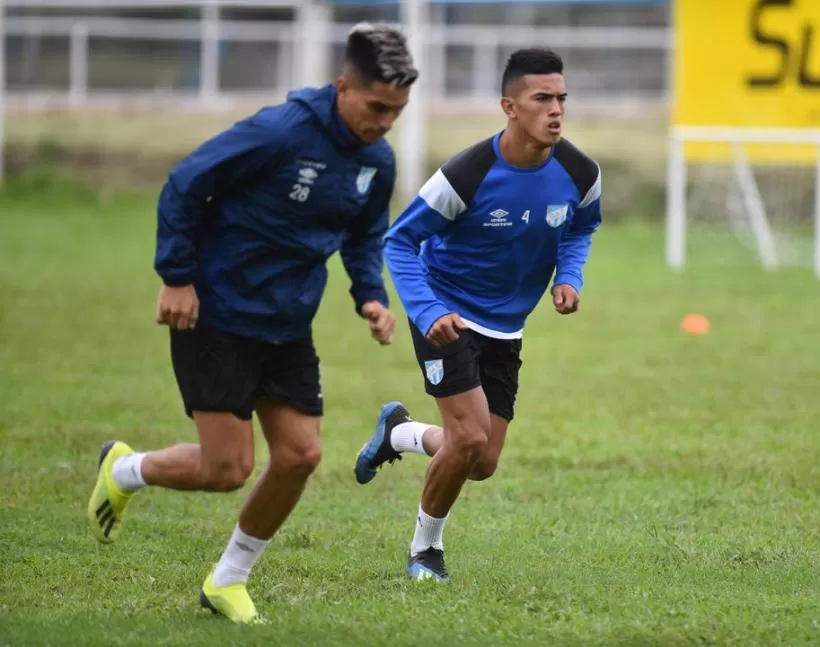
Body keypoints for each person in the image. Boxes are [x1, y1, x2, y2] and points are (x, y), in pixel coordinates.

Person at [85, 23, 418, 623]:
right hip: (218, 311)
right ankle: (125, 470)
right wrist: (176, 276)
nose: (385, 121)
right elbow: (187, 183)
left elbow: (366, 233)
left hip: (289, 321)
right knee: (226, 469)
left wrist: (369, 295)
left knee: (300, 456)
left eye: (397, 111)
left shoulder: (378, 160)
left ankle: (227, 581)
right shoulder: (281, 131)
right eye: (377, 107)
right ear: (344, 87)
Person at [353, 48, 603, 582]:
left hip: (506, 326)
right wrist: (427, 311)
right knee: (466, 441)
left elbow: (581, 226)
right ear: (509, 107)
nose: (556, 110)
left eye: (561, 98)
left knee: (482, 460)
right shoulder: (467, 174)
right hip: (448, 315)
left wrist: (569, 276)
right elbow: (400, 243)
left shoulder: (580, 172)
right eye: (542, 99)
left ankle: (397, 432)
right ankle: (426, 552)